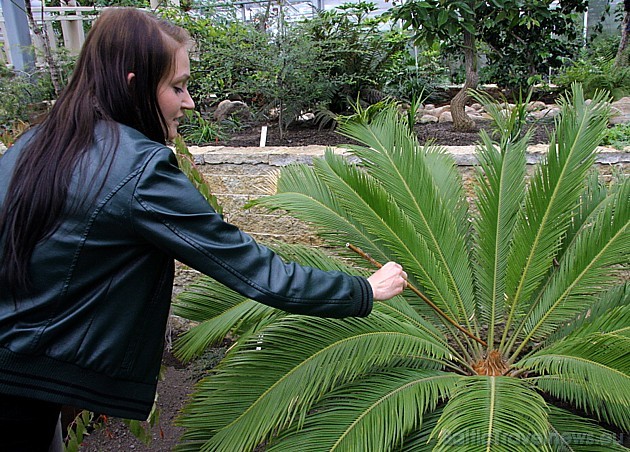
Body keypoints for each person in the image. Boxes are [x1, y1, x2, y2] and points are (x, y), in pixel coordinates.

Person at [0, 8, 407, 450]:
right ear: (135, 86)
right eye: (177, 87)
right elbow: (254, 271)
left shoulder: (38, 143)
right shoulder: (138, 171)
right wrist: (364, 290)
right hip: (19, 388)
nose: (189, 101)